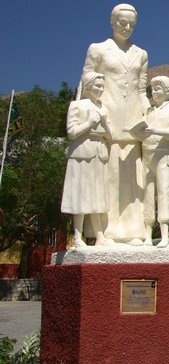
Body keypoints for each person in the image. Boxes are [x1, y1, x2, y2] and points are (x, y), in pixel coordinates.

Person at [81, 4, 149, 245]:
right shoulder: (98, 49)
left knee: (132, 178)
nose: (127, 27)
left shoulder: (141, 54)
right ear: (112, 22)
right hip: (105, 120)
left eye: (131, 23)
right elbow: (85, 84)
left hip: (132, 121)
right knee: (107, 176)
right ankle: (104, 231)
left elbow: (141, 89)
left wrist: (147, 110)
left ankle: (133, 231)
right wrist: (83, 117)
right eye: (122, 22)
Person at [60, 73, 113, 247]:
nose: (100, 89)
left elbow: (110, 135)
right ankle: (77, 237)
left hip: (99, 153)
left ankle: (99, 236)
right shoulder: (77, 105)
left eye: (102, 86)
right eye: (97, 86)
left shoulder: (102, 107)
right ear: (88, 86)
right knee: (80, 195)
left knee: (97, 195)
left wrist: (104, 122)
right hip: (82, 153)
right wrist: (90, 122)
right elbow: (72, 132)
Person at [139, 76, 169, 248]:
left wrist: (155, 130)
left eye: (158, 89)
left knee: (164, 193)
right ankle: (147, 235)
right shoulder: (148, 111)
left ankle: (165, 235)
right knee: (147, 194)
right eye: (153, 89)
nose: (154, 93)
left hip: (163, 156)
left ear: (167, 91)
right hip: (146, 155)